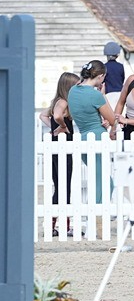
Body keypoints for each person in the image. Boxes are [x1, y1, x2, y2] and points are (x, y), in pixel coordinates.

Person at [67, 60, 117, 204]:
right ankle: (98, 215)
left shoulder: (73, 90)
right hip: (97, 137)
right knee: (105, 182)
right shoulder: (95, 95)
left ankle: (96, 214)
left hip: (83, 135)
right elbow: (113, 119)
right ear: (100, 76)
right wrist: (103, 95)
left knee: (97, 178)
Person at [42, 71, 79, 236]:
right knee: (63, 186)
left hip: (57, 147)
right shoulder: (63, 102)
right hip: (63, 149)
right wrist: (62, 127)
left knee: (60, 185)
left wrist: (52, 128)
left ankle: (55, 223)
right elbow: (57, 115)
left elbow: (43, 115)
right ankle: (61, 224)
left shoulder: (56, 101)